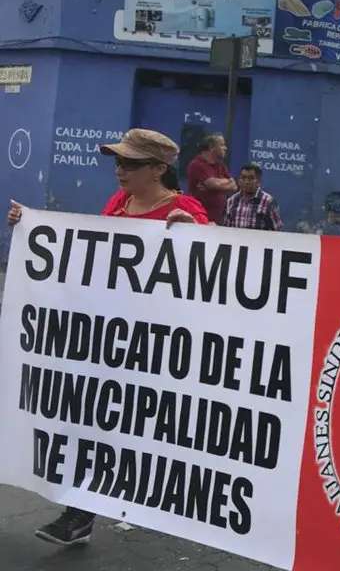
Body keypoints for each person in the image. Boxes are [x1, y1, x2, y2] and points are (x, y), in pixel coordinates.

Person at [7, 128, 208, 548]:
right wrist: (37, 227)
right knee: (95, 426)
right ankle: (80, 513)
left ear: (158, 170)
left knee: (134, 434)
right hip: (111, 343)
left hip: (157, 346)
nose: (119, 170)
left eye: (130, 163)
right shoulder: (118, 204)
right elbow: (94, 254)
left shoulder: (184, 208)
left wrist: (198, 233)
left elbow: (220, 265)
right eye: (117, 161)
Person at [186, 133, 237, 224]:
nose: (225, 148)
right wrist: (225, 182)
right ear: (211, 147)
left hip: (218, 220)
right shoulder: (197, 164)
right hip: (199, 219)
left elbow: (234, 186)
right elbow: (212, 184)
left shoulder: (221, 166)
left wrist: (216, 185)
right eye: (221, 145)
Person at [222, 163, 283, 231]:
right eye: (243, 177)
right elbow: (226, 230)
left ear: (259, 181)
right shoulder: (231, 201)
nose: (246, 182)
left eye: (251, 178)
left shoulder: (268, 202)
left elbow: (276, 231)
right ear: (239, 180)